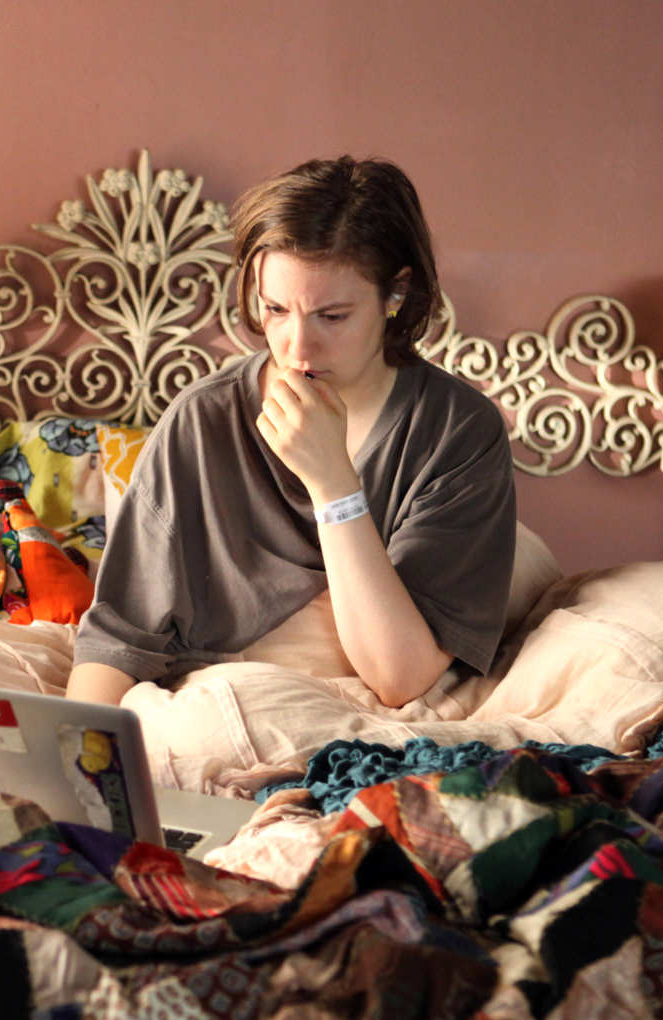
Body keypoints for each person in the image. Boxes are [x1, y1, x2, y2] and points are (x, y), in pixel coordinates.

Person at [67, 156, 515, 709]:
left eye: (332, 316)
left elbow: (401, 677)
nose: (297, 348)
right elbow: (117, 641)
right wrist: (76, 750)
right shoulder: (202, 421)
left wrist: (334, 486)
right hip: (198, 710)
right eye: (275, 309)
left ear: (396, 294)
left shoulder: (456, 432)